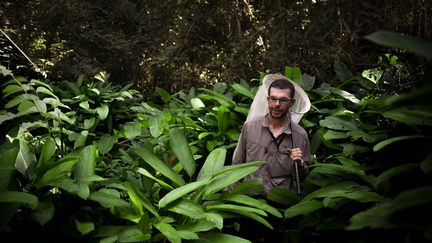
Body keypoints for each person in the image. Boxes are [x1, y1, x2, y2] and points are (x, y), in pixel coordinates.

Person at [231, 74, 311, 195]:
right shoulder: (250, 127)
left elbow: (302, 177)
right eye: (273, 98)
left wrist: (299, 163)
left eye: (283, 100)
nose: (277, 104)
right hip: (250, 197)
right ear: (268, 100)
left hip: (280, 200)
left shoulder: (300, 136)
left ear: (292, 103)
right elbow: (237, 164)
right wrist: (231, 195)